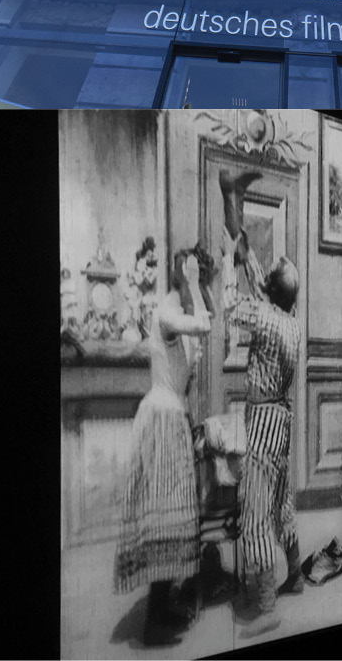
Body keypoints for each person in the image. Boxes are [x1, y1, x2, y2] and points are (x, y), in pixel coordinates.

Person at [113, 245, 215, 646]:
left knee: (169, 515)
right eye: (197, 280)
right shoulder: (167, 311)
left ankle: (160, 607)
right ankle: (154, 619)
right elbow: (203, 325)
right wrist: (192, 283)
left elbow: (187, 366)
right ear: (184, 278)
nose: (201, 289)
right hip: (161, 417)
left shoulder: (178, 313)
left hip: (173, 416)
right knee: (160, 514)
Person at [219, 168, 303, 638]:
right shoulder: (289, 318)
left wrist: (234, 260)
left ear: (271, 292)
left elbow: (234, 305)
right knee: (281, 503)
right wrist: (243, 240)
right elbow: (259, 274)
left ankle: (266, 604)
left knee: (253, 515)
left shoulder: (266, 318)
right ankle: (294, 576)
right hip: (283, 418)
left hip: (264, 421)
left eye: (269, 274)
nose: (264, 271)